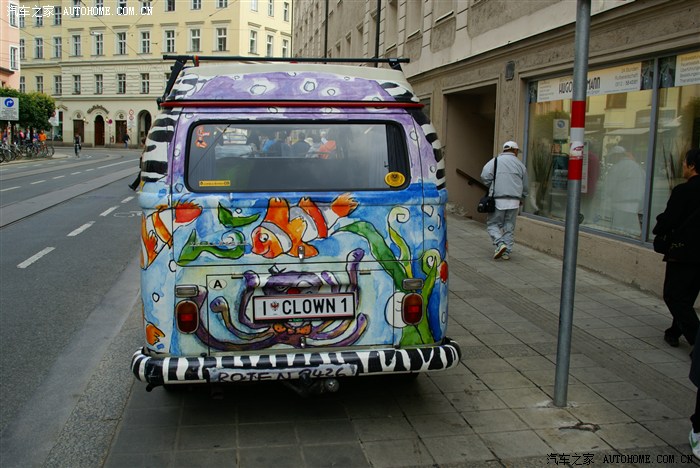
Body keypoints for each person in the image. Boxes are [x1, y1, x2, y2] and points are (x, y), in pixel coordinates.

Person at [653, 148, 700, 348]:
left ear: (692, 165)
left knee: (674, 296)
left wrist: (659, 225)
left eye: (684, 162)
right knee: (686, 297)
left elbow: (669, 220)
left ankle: (697, 341)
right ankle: (674, 332)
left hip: (684, 252)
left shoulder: (684, 190)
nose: (682, 165)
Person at [480, 140, 529, 260]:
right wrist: (522, 196)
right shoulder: (520, 165)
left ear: (504, 149)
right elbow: (525, 185)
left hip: (498, 199)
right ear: (515, 150)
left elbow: (484, 176)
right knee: (509, 226)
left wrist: (492, 185)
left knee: (492, 224)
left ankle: (500, 243)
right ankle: (506, 252)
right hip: (514, 201)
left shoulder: (495, 161)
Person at [603, 145, 645, 237]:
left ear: (616, 156)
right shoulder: (637, 166)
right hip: (635, 207)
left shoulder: (617, 167)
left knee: (618, 232)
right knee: (632, 233)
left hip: (620, 206)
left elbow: (609, 187)